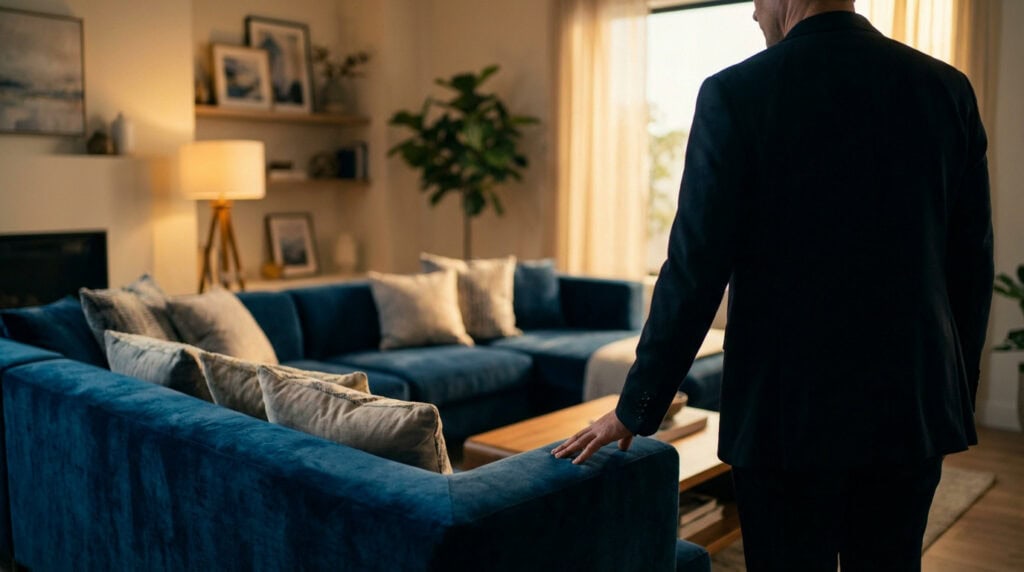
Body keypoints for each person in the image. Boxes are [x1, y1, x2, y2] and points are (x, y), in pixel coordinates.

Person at [552, 0, 993, 569]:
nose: (754, 13)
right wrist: (953, 391)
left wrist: (636, 407)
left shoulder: (735, 94)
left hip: (786, 419)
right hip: (911, 409)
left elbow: (694, 269)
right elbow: (971, 265)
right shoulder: (947, 89)